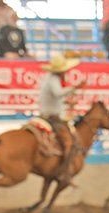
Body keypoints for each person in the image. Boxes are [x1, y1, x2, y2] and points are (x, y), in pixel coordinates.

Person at [39, 53, 83, 184]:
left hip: (49, 114)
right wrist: (74, 88)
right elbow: (58, 93)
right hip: (52, 118)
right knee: (69, 143)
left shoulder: (49, 79)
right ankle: (64, 171)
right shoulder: (53, 80)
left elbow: (56, 97)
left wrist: (67, 102)